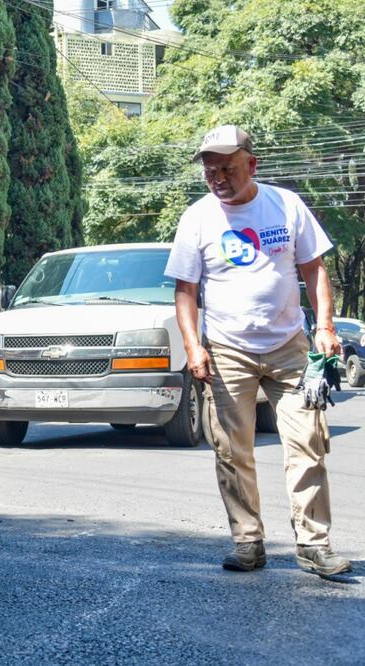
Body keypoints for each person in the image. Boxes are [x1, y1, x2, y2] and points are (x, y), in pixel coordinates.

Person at [165, 125, 351, 576]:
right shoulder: (197, 218)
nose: (217, 178)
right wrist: (194, 346)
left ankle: (313, 544)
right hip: (228, 350)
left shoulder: (285, 205)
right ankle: (248, 542)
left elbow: (314, 269)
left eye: (227, 168)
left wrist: (325, 326)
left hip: (290, 348)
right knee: (232, 450)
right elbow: (186, 291)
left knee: (307, 445)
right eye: (210, 171)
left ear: (252, 164)